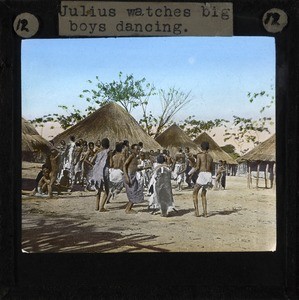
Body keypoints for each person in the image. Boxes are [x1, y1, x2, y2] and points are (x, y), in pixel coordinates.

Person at [189, 141, 213, 217]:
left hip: (202, 174)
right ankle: (205, 213)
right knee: (203, 195)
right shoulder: (210, 157)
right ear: (208, 148)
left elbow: (197, 167)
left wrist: (190, 174)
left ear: (201, 147)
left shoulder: (199, 155)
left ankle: (197, 212)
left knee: (194, 193)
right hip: (209, 175)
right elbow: (211, 168)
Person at [123, 144, 145, 214]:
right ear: (132, 150)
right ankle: (128, 209)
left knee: (134, 191)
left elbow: (133, 167)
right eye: (136, 149)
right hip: (129, 175)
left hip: (132, 175)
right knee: (133, 192)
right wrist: (126, 176)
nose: (138, 151)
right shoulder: (131, 156)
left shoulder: (135, 157)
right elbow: (124, 165)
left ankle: (128, 208)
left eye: (138, 149)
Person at [92, 138, 111, 212]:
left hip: (97, 170)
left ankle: (96, 206)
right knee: (107, 190)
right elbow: (111, 163)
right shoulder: (108, 152)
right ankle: (101, 207)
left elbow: (92, 160)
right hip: (104, 171)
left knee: (98, 189)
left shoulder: (98, 151)